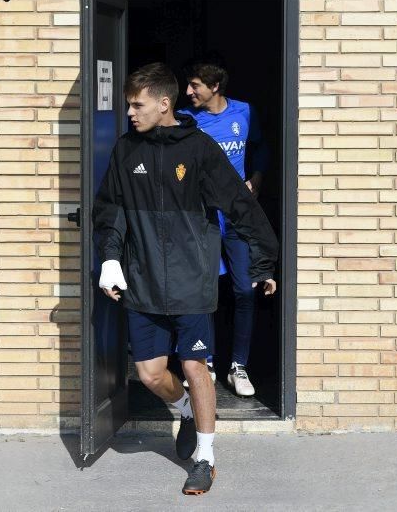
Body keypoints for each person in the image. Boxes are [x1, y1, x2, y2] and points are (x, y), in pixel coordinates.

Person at [92, 62, 278, 495]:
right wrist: (111, 258)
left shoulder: (199, 149)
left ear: (163, 102)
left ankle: (206, 457)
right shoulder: (125, 150)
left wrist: (263, 262)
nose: (131, 113)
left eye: (137, 105)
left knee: (196, 366)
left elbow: (239, 206)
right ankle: (184, 410)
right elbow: (111, 209)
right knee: (151, 373)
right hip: (143, 279)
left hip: (192, 279)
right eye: (128, 106)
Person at [179, 55, 270, 397]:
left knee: (245, 290)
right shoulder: (187, 119)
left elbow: (260, 148)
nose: (188, 92)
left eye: (195, 86)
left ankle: (239, 366)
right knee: (206, 291)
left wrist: (256, 179)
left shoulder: (244, 112)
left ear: (215, 87)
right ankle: (207, 361)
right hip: (204, 218)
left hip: (237, 217)